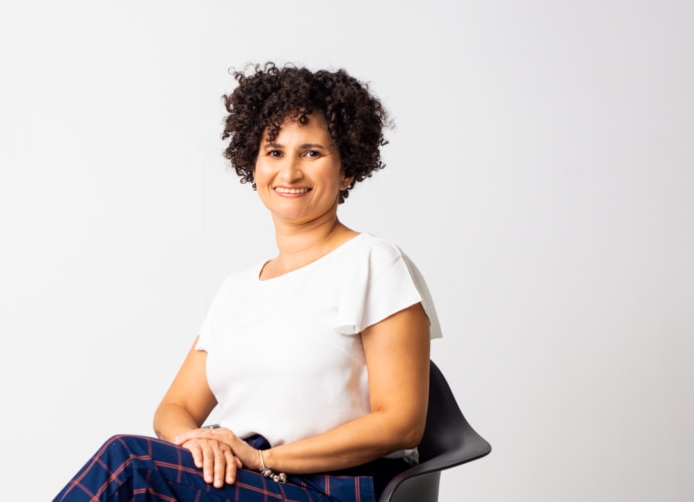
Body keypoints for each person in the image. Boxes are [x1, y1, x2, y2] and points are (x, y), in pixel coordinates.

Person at [53, 62, 442, 502]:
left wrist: (262, 459)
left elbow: (401, 423)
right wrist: (197, 441)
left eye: (312, 153)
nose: (289, 173)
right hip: (247, 482)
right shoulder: (237, 289)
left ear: (347, 169)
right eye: (274, 152)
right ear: (253, 165)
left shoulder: (373, 262)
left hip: (327, 490)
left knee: (129, 461)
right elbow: (175, 408)